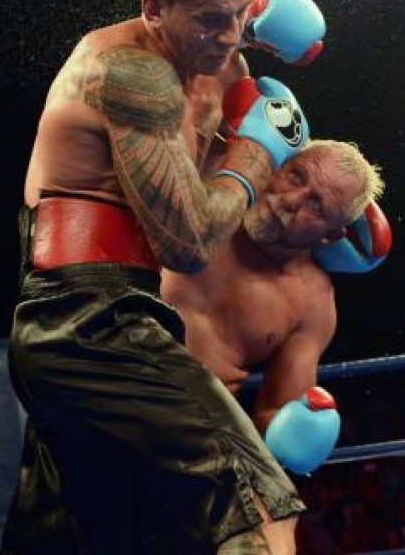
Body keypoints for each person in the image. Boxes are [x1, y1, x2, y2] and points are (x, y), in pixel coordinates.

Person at [3, 0, 326, 554]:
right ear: (154, 9)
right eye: (212, 19)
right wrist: (256, 149)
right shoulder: (131, 74)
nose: (232, 34)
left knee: (84, 535)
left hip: (112, 316)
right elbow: (191, 243)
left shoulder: (215, 56)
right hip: (86, 321)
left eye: (242, 12)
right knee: (260, 502)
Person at [162, 140, 387, 447]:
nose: (292, 200)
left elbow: (275, 410)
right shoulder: (209, 173)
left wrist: (296, 432)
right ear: (278, 164)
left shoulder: (312, 301)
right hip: (99, 367)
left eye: (316, 205)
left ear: (331, 236)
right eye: (295, 175)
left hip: (189, 431)